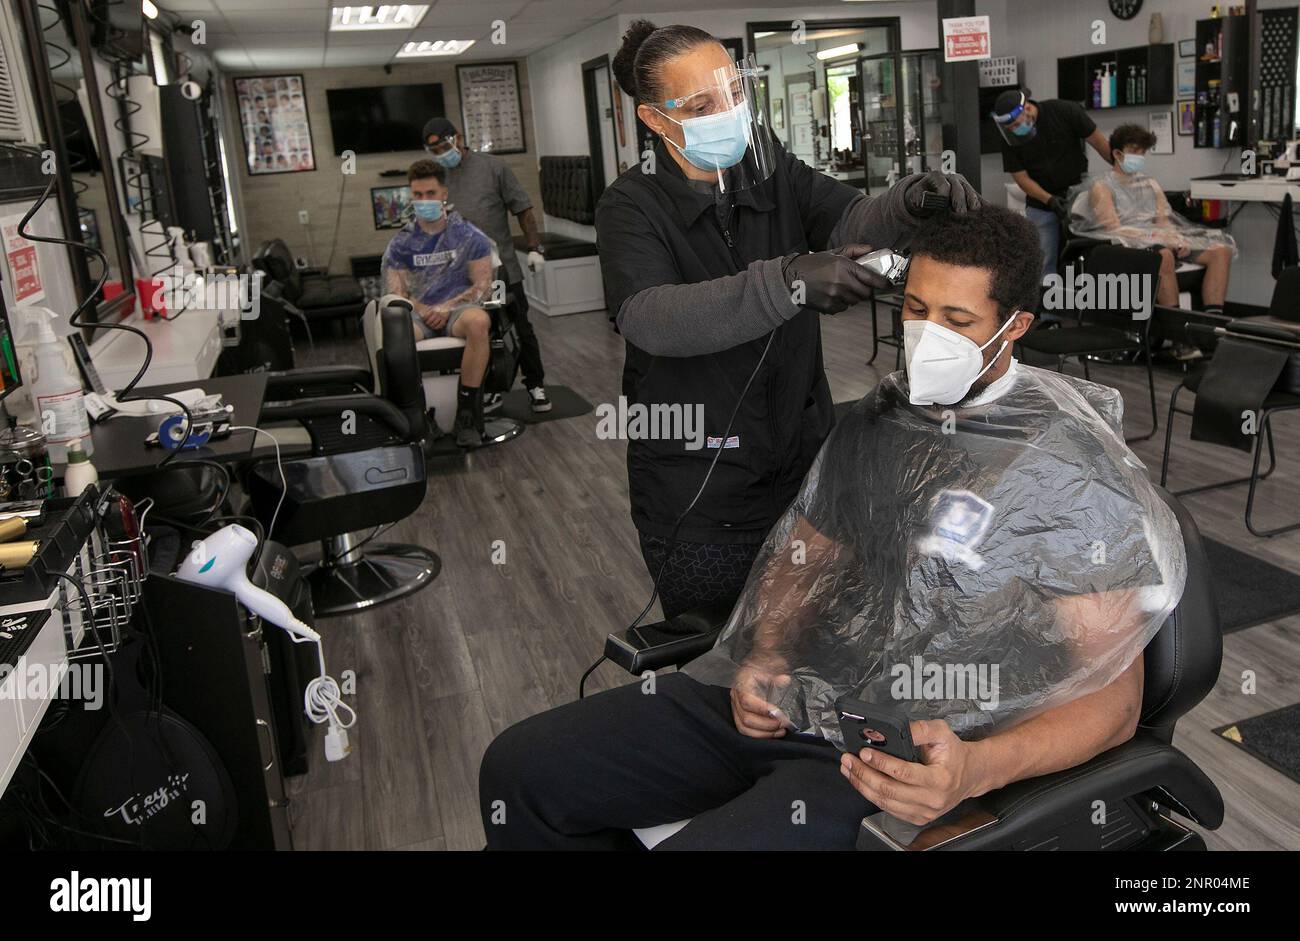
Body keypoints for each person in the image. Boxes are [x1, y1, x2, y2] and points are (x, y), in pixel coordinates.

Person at [477, 206, 1186, 850]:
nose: (928, 336)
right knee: (520, 772)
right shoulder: (883, 415)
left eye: (958, 320)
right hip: (797, 695)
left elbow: (1115, 703)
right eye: (915, 309)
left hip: (895, 752)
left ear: (1016, 325)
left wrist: (976, 767)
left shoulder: (1069, 467)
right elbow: (806, 554)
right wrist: (765, 651)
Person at [597, 20, 981, 622]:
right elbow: (652, 318)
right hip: (703, 489)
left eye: (734, 94)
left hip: (804, 465)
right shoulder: (630, 206)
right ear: (655, 120)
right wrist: (789, 281)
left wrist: (908, 201)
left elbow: (848, 219)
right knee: (721, 667)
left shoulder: (767, 168)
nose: (727, 113)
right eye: (701, 106)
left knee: (810, 641)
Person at [421, 116, 551, 414]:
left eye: (443, 146)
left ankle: (536, 385)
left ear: (458, 138)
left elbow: (523, 208)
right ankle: (489, 389)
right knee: (480, 333)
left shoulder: (493, 168)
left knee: (519, 327)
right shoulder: (436, 178)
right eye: (434, 151)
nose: (441, 154)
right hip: (461, 275)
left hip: (501, 268)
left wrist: (534, 248)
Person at [381, 158, 494, 447]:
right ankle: (418, 417)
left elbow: (482, 286)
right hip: (419, 313)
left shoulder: (469, 235)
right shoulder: (401, 243)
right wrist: (424, 310)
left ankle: (467, 417)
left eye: (430, 194)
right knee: (395, 334)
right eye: (417, 195)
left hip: (459, 310)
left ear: (444, 193)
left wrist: (446, 307)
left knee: (480, 322)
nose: (424, 201)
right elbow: (396, 293)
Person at [1073, 123, 1235, 321]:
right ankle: (1175, 331)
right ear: (1117, 153)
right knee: (1163, 255)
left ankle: (1213, 322)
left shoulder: (1149, 183)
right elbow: (1112, 228)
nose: (1138, 157)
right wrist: (1152, 237)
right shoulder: (1102, 187)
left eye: (1142, 152)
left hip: (1156, 240)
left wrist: (1176, 238)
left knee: (1220, 251)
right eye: (1134, 151)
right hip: (1124, 245)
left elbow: (1163, 219)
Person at [992, 90, 1114, 277]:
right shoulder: (1010, 137)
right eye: (1011, 128)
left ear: (1028, 108)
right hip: (1040, 201)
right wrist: (1050, 200)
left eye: (1017, 124)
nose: (1016, 129)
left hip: (1078, 193)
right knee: (1042, 262)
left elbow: (1099, 142)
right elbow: (1021, 178)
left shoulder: (1064, 111)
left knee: (1091, 254)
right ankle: (1046, 302)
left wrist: (1122, 171)